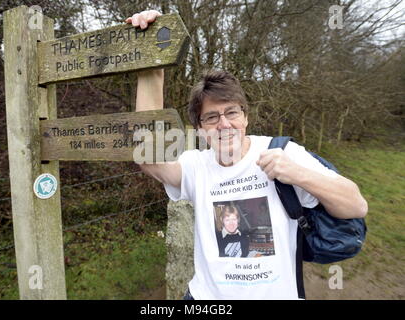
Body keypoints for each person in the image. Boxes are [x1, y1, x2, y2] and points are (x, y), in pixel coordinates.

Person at [126, 11, 368, 300]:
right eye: (212, 117)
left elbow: (356, 205)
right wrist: (151, 67)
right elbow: (147, 155)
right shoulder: (196, 165)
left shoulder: (282, 152)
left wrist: (297, 174)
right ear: (200, 129)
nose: (224, 124)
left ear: (246, 116)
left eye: (231, 112)